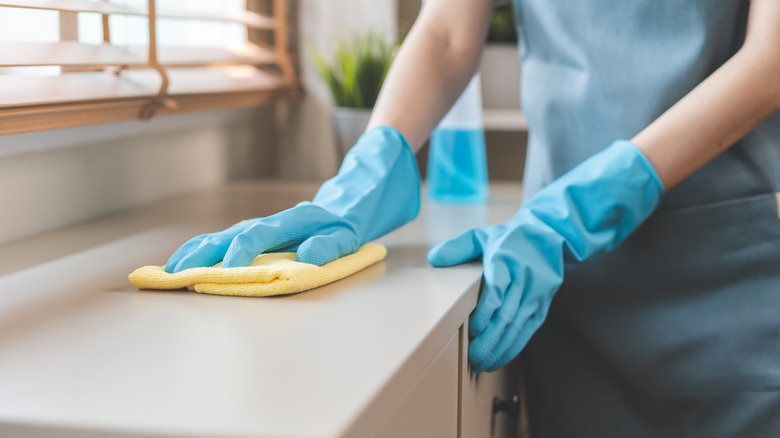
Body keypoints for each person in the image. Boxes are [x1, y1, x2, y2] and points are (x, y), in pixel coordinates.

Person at [165, 0, 780, 435]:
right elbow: (447, 32)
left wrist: (583, 205)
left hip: (711, 288)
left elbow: (770, 62)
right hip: (563, 284)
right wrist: (371, 169)